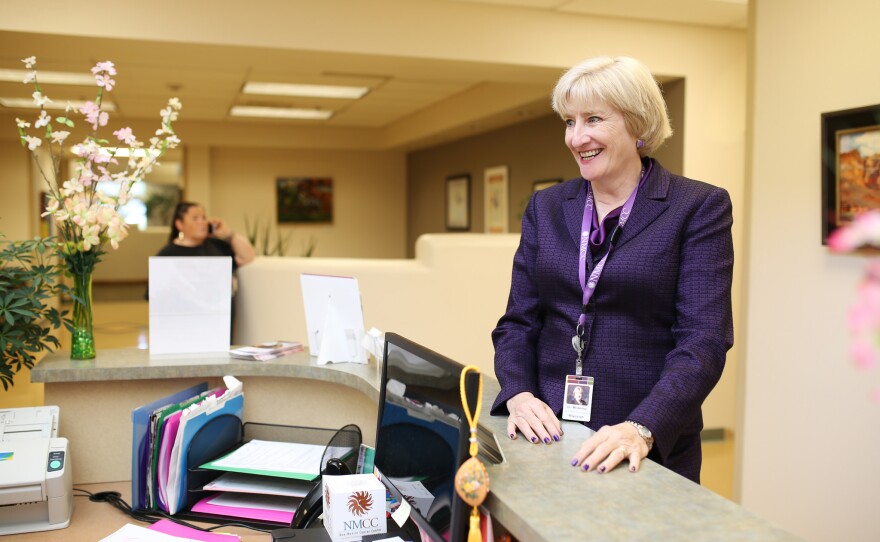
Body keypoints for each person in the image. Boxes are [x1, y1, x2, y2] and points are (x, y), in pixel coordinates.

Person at [490, 56, 733, 484]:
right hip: (547, 435)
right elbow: (517, 322)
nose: (576, 137)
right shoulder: (546, 208)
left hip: (640, 446)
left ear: (637, 124)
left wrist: (642, 428)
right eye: (569, 121)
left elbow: (703, 342)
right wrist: (519, 393)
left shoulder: (696, 208)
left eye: (593, 119)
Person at [156, 201, 255, 267]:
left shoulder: (217, 245)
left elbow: (247, 257)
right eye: (195, 218)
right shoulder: (167, 254)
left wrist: (227, 233)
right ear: (179, 224)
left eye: (204, 218)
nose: (202, 222)